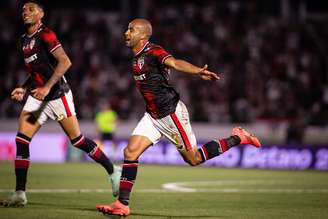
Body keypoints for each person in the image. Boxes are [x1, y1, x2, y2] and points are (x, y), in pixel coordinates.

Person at [96, 18, 261, 216]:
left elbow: (174, 62)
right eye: (127, 29)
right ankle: (122, 204)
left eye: (131, 29)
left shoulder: (153, 51)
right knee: (130, 152)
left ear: (143, 35)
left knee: (194, 159)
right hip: (152, 116)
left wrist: (197, 70)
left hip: (171, 114)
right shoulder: (135, 57)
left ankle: (238, 138)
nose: (126, 32)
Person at [0, 0, 121, 207]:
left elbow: (65, 61)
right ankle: (20, 192)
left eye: (31, 9)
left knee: (77, 140)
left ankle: (112, 170)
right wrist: (24, 87)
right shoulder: (23, 40)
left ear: (41, 14)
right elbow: (37, 71)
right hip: (38, 98)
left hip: (57, 95)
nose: (25, 12)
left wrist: (47, 88)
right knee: (22, 140)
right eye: (23, 10)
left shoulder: (46, 34)